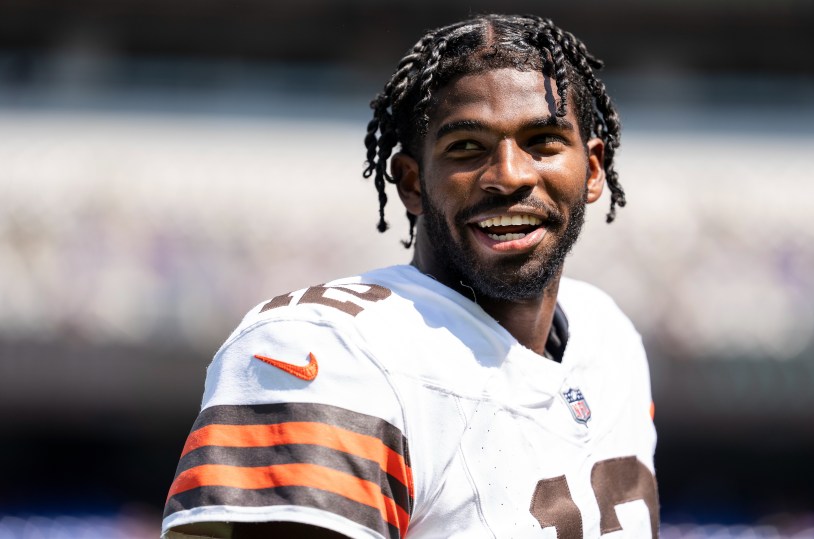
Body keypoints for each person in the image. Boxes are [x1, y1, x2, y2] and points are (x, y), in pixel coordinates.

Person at [162, 13, 658, 539]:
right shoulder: (329, 348)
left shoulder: (608, 336)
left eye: (543, 141)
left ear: (594, 170)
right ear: (412, 183)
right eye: (467, 147)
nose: (509, 175)